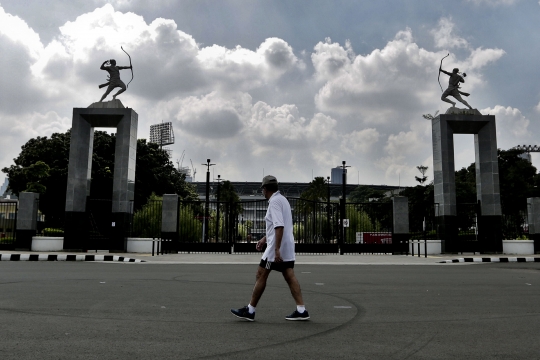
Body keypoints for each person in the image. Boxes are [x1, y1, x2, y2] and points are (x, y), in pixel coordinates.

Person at [231, 175, 309, 321]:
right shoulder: (283, 200)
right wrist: (264, 238)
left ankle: (250, 310)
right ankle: (301, 309)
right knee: (289, 275)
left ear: (265, 189)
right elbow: (277, 226)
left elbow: (279, 226)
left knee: (261, 274)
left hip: (276, 247)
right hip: (286, 245)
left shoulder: (274, 202)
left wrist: (276, 249)